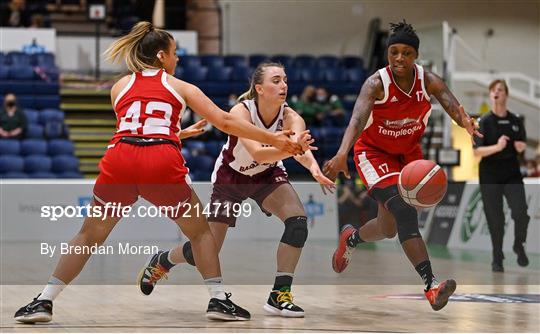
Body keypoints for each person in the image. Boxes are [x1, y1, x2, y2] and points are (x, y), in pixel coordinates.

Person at [14, 22, 304, 324]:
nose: (178, 59)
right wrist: (275, 138)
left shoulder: (119, 86)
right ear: (162, 56)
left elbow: (139, 129)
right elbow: (224, 122)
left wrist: (177, 134)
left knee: (89, 234)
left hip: (120, 158)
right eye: (175, 54)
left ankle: (43, 300)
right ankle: (218, 300)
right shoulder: (181, 86)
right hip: (160, 160)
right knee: (201, 233)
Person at [136, 62, 335, 318]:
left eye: (285, 79)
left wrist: (313, 168)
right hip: (231, 178)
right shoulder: (242, 111)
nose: (283, 84)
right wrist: (290, 149)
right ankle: (163, 260)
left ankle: (279, 295)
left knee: (298, 224)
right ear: (259, 88)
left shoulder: (292, 116)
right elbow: (259, 153)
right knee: (205, 252)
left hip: (267, 176)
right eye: (276, 80)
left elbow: (300, 148)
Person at [323, 20, 482, 311]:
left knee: (388, 229)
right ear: (388, 54)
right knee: (403, 209)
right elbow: (357, 119)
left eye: (406, 53)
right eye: (394, 52)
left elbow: (450, 103)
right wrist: (343, 152)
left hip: (408, 155)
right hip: (373, 154)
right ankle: (431, 286)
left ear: (415, 56)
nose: (399, 58)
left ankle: (352, 238)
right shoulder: (376, 83)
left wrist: (466, 123)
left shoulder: (428, 81)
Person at [473, 79, 530, 272]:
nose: (498, 93)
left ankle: (518, 244)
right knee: (495, 218)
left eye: (501, 90)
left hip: (511, 172)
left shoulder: (515, 120)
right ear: (490, 94)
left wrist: (520, 148)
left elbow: (522, 144)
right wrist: (497, 147)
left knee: (521, 213)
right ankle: (497, 256)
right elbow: (476, 152)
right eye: (494, 90)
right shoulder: (483, 122)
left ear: (506, 95)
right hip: (490, 174)